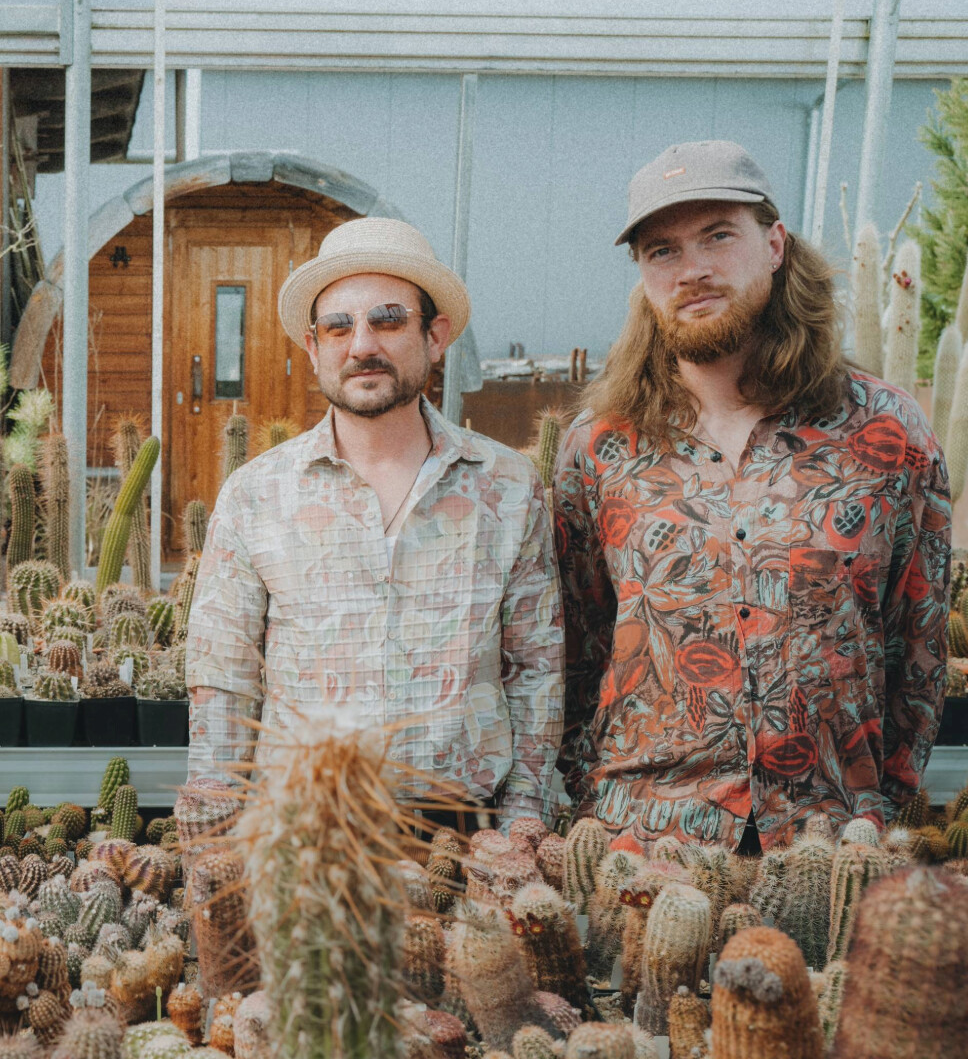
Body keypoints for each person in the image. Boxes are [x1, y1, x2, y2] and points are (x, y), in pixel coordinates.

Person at [555, 140, 950, 850]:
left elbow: (916, 645)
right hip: (643, 841)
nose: (693, 270)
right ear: (642, 274)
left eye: (718, 236)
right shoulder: (600, 448)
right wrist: (585, 805)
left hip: (827, 838)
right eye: (662, 251)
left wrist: (882, 808)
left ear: (774, 244)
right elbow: (576, 651)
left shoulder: (887, 432)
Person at [184, 217, 564, 825]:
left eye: (388, 320)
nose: (362, 345)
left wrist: (523, 821)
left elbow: (536, 670)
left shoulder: (508, 489)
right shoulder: (255, 495)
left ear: (435, 336)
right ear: (314, 348)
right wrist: (217, 839)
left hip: (464, 832)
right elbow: (222, 680)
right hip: (303, 837)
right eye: (339, 326)